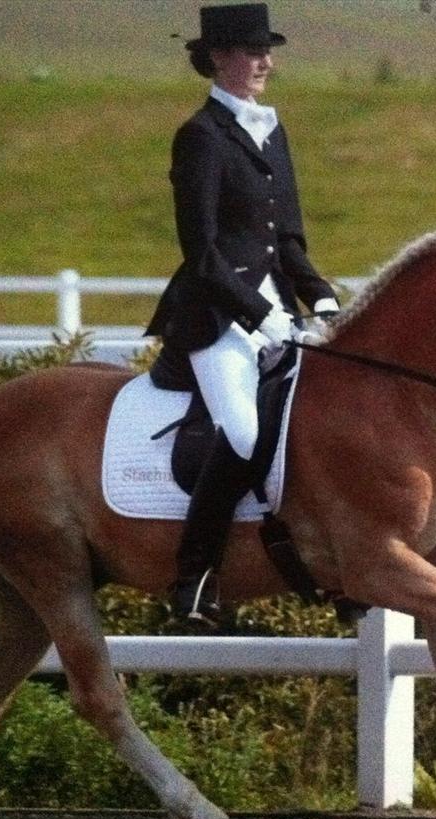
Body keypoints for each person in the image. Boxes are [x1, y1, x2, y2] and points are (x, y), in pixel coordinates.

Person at [145, 2, 339, 624]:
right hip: (215, 318)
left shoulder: (270, 130)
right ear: (220, 57)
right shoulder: (199, 137)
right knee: (247, 431)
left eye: (267, 51)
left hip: (278, 307)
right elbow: (201, 254)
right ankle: (194, 577)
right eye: (253, 51)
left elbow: (288, 241)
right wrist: (261, 316)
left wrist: (323, 296)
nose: (265, 62)